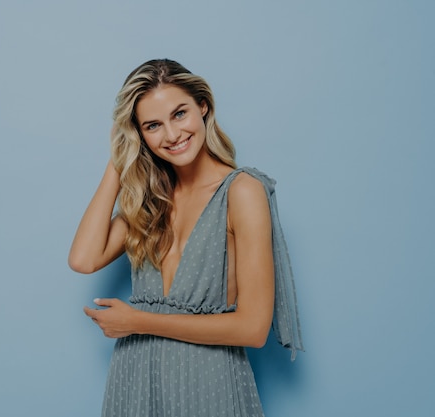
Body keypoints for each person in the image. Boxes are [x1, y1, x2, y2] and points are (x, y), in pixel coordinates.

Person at [68, 59, 303, 417]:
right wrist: (119, 161)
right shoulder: (150, 200)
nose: (172, 135)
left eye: (180, 114)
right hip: (135, 379)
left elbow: (254, 328)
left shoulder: (242, 191)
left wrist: (139, 322)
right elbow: (83, 260)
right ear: (140, 135)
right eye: (153, 125)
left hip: (205, 381)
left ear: (203, 106)